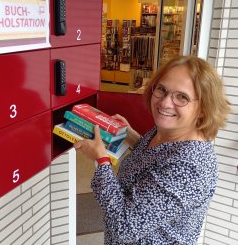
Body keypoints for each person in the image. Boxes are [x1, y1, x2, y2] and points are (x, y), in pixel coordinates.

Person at [74, 55, 231, 244]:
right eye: (162, 90)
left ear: (204, 108)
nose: (165, 103)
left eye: (182, 97)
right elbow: (154, 163)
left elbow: (122, 227)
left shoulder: (190, 167)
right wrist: (131, 137)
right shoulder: (166, 132)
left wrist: (101, 161)